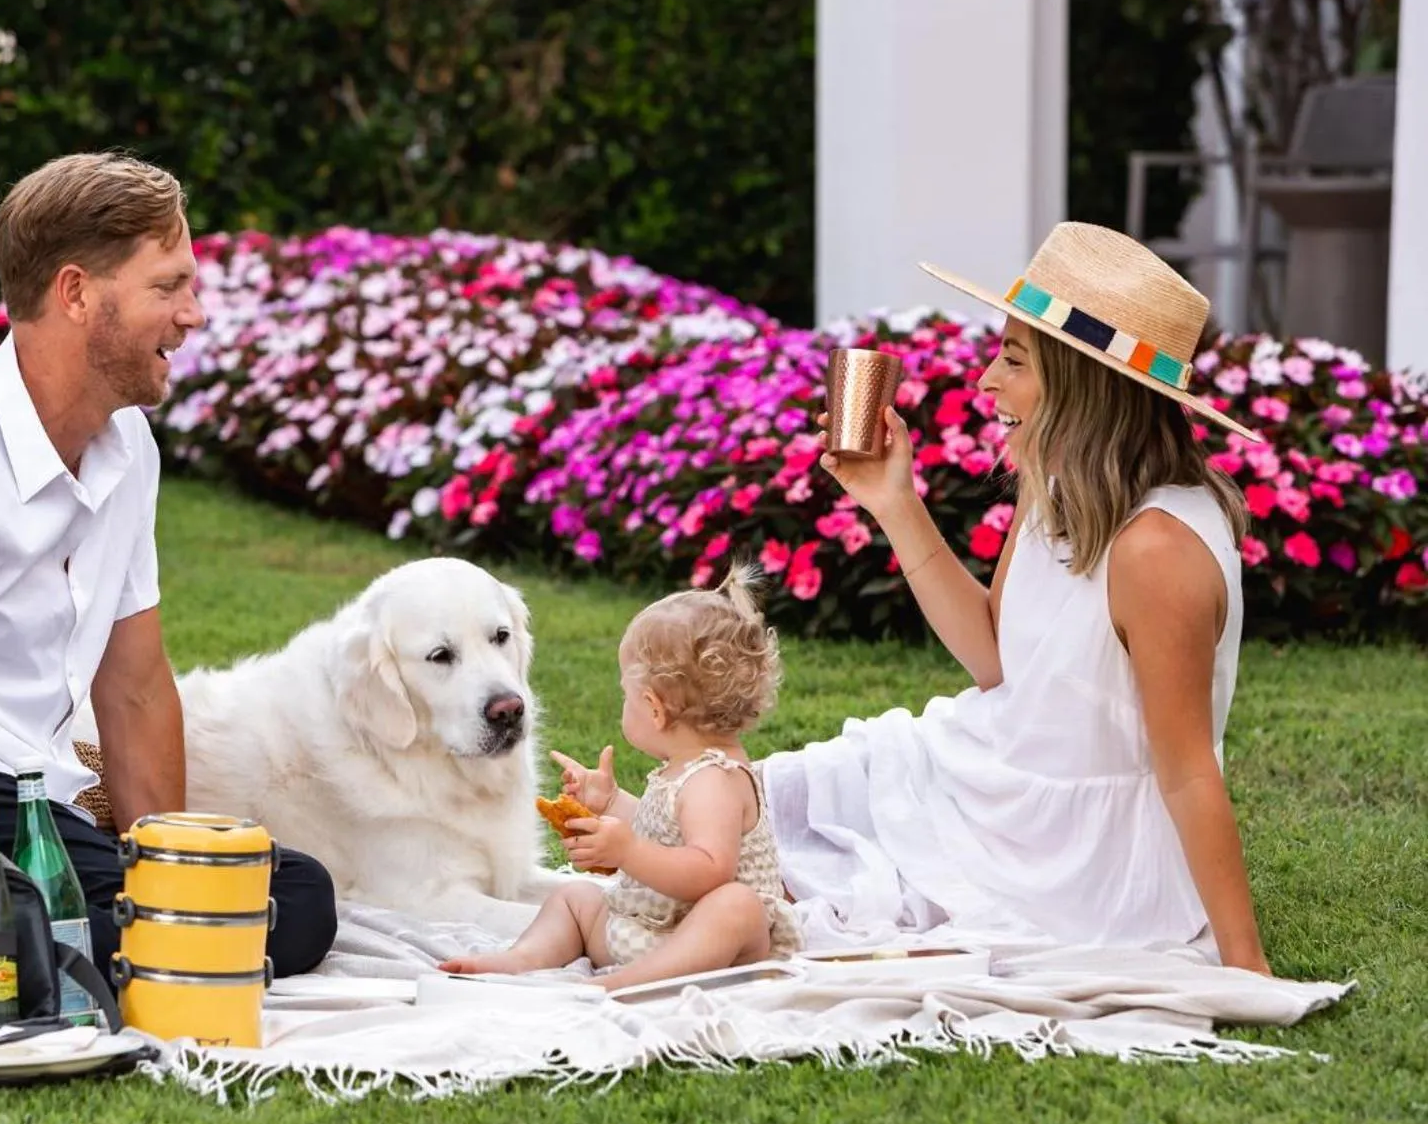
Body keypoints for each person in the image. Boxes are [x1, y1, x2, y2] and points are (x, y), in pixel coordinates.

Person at [0, 151, 337, 976]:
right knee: (131, 925)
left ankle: (28, 947)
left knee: (296, 897)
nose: (194, 315)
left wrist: (164, 870)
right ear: (77, 292)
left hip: (39, 807)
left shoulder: (129, 444)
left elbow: (132, 682)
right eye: (168, 286)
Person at [762, 221, 1272, 974]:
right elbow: (998, 657)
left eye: (1012, 360)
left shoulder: (1157, 550)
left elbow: (1189, 769)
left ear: (1083, 385)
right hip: (983, 770)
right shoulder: (1060, 481)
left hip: (1064, 857)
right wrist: (895, 503)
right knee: (750, 805)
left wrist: (1246, 963)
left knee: (752, 863)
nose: (985, 382)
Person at [440, 566, 798, 990]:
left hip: (710, 941)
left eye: (625, 696)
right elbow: (668, 833)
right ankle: (522, 959)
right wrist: (611, 805)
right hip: (650, 926)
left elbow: (709, 872)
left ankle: (629, 983)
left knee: (737, 905)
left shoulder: (715, 781)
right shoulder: (683, 768)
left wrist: (626, 850)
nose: (622, 706)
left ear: (654, 708)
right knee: (575, 899)